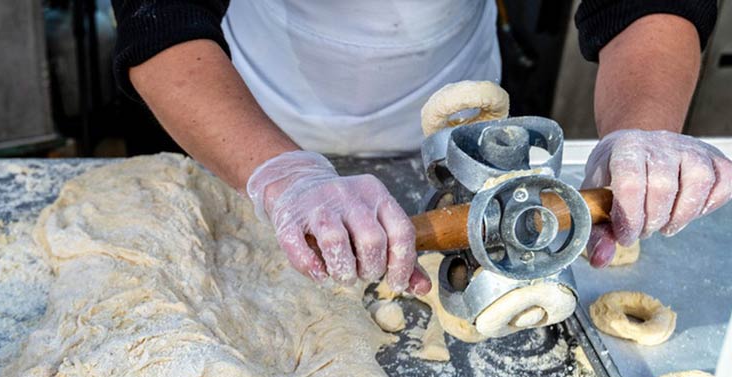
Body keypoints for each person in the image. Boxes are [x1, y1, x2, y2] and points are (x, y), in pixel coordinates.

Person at [111, 1, 730, 295]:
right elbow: (158, 22)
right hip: (248, 110)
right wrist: (283, 176)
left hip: (457, 98)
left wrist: (641, 129)